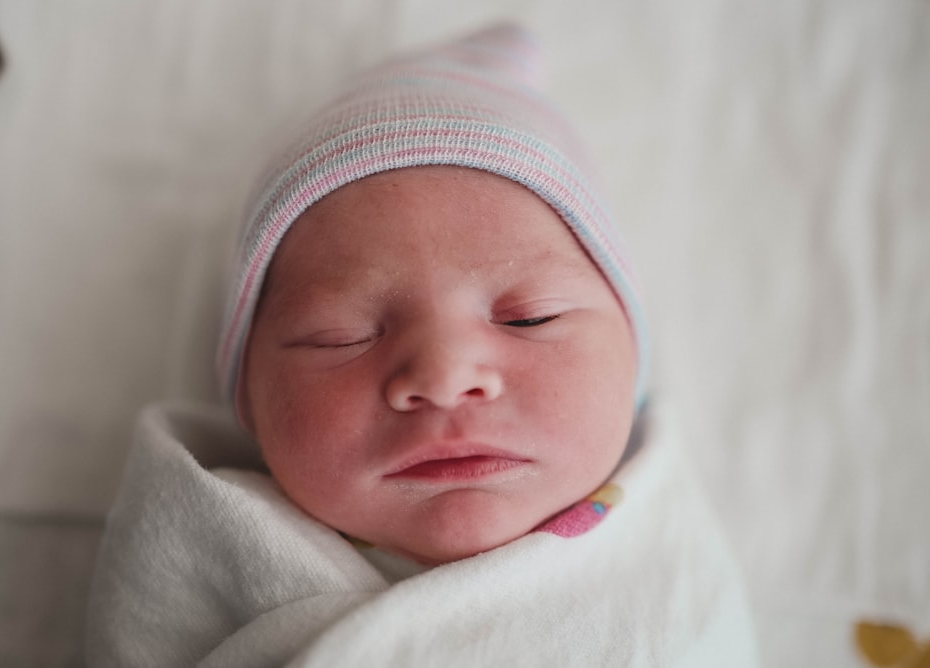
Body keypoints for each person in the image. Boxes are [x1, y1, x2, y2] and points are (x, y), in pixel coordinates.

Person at [86, 24, 758, 666]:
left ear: (634, 361)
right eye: (340, 336)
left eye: (530, 318)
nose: (442, 374)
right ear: (250, 401)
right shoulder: (201, 551)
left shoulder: (668, 582)